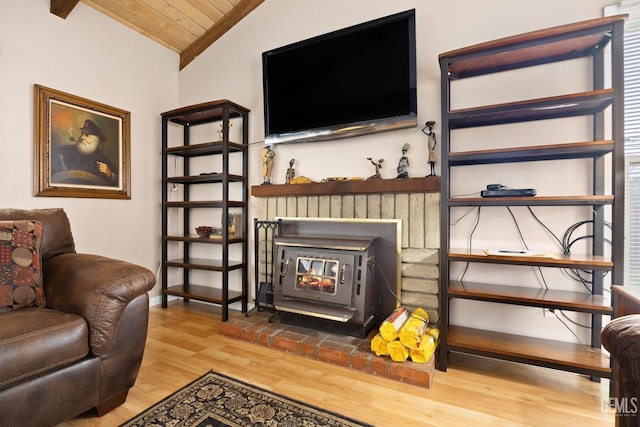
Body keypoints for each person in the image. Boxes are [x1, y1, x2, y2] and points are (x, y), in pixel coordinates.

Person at [52, 119, 118, 186]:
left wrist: (110, 175)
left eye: (87, 135)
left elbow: (118, 182)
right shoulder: (63, 151)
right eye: (82, 133)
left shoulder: (103, 159)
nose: (82, 137)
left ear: (97, 140)